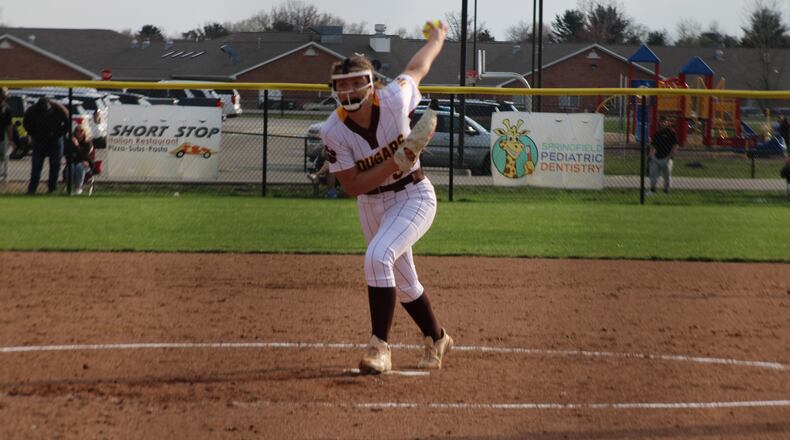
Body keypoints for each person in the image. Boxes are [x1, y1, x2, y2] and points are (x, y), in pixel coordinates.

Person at [319, 21, 451, 374]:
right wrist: (395, 162)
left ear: (371, 83)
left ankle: (380, 348)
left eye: (354, 82)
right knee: (405, 285)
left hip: (414, 194)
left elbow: (416, 68)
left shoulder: (394, 98)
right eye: (341, 84)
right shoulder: (332, 131)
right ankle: (437, 337)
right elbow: (352, 186)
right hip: (371, 203)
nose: (348, 90)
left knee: (377, 257)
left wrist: (437, 39)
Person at [23, 97, 69, 194]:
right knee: (36, 165)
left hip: (55, 140)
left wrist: (59, 133)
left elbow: (67, 123)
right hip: (39, 140)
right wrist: (34, 134)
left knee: (55, 164)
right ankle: (32, 189)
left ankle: (52, 189)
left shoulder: (59, 109)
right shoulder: (32, 110)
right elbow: (26, 124)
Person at [649, 117, 679, 194]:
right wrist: (651, 156)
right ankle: (652, 190)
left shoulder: (671, 132)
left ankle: (666, 191)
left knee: (667, 176)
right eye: (661, 121)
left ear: (668, 122)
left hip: (667, 158)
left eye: (664, 121)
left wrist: (669, 157)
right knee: (653, 175)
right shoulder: (657, 133)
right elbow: (653, 146)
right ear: (659, 122)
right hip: (656, 158)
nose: (663, 123)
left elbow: (675, 146)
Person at [65, 125, 95, 195]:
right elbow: (68, 155)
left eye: (81, 131)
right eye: (77, 131)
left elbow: (85, 156)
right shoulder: (70, 142)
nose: (79, 133)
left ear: (84, 132)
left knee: (79, 166)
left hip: (86, 165)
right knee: (71, 167)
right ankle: (69, 188)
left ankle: (78, 188)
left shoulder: (88, 143)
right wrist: (74, 145)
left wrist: (77, 146)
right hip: (74, 163)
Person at [0, 87, 15, 181]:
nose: (4, 98)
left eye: (4, 97)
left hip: (2, 136)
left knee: (4, 156)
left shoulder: (6, 108)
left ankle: (4, 176)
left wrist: (10, 139)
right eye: (3, 96)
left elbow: (9, 125)